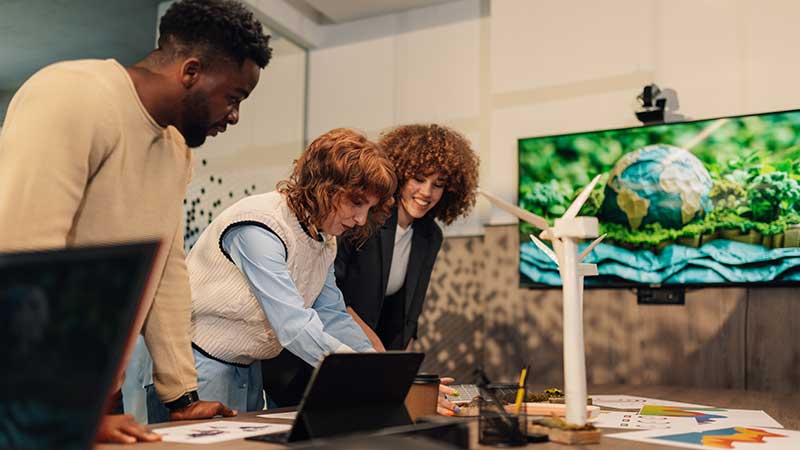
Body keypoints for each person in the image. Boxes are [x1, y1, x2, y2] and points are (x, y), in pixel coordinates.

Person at [0, 0, 272, 443]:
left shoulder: (175, 150)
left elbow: (166, 273)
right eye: (233, 98)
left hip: (93, 392)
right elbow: (22, 257)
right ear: (191, 71)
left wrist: (181, 396)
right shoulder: (73, 96)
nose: (234, 116)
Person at [262, 124, 479, 416]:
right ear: (399, 176)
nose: (426, 192)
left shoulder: (430, 236)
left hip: (365, 358)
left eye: (438, 184)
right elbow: (335, 305)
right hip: (312, 359)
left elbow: (407, 318)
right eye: (418, 179)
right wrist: (386, 371)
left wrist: (404, 376)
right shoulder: (359, 219)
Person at [187, 128, 396, 412]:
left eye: (369, 208)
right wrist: (364, 374)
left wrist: (382, 371)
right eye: (356, 202)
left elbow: (332, 315)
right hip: (197, 363)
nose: (361, 219)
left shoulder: (324, 240)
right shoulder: (260, 226)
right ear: (325, 186)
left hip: (247, 367)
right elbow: (292, 324)